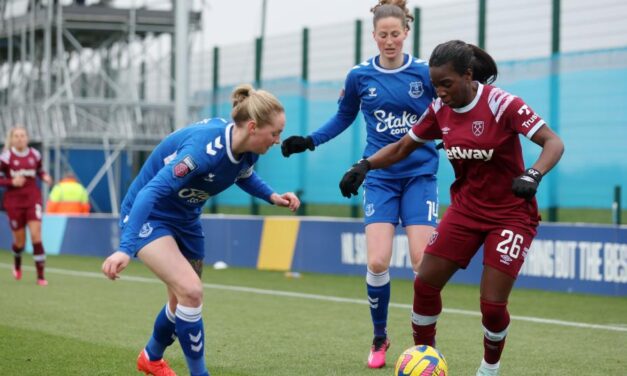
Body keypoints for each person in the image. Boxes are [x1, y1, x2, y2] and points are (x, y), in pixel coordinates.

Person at [339, 40, 565, 375]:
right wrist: (365, 165)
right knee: (425, 283)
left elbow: (553, 142)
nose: (440, 92)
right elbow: (402, 146)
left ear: (468, 75)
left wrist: (533, 173)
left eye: (446, 84)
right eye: (435, 86)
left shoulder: (503, 104)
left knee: (491, 306)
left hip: (511, 215)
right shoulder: (438, 111)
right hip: (465, 211)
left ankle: (489, 367)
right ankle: (425, 359)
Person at [101, 84, 300, 376]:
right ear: (254, 127)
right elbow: (150, 193)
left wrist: (272, 196)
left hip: (187, 219)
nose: (278, 140)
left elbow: (243, 175)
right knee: (192, 292)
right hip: (149, 215)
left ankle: (151, 358)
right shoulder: (202, 152)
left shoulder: (249, 149)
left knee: (180, 299)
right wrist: (125, 247)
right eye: (275, 133)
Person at [281, 0, 438, 368]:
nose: (389, 41)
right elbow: (343, 117)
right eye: (382, 35)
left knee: (422, 264)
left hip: (420, 176)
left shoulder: (425, 74)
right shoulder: (359, 77)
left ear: (406, 33)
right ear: (373, 36)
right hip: (378, 177)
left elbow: (445, 113)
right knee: (378, 260)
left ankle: (424, 346)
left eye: (395, 34)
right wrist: (310, 140)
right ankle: (380, 337)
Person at [0, 126, 53, 286]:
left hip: (32, 200)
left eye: (23, 136)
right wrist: (11, 182)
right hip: (14, 203)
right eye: (16, 136)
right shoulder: (6, 157)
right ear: (12, 139)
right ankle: (17, 262)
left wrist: (45, 176)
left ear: (27, 138)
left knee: (36, 236)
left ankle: (41, 276)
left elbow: (39, 170)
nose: (20, 138)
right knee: (20, 242)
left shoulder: (35, 155)